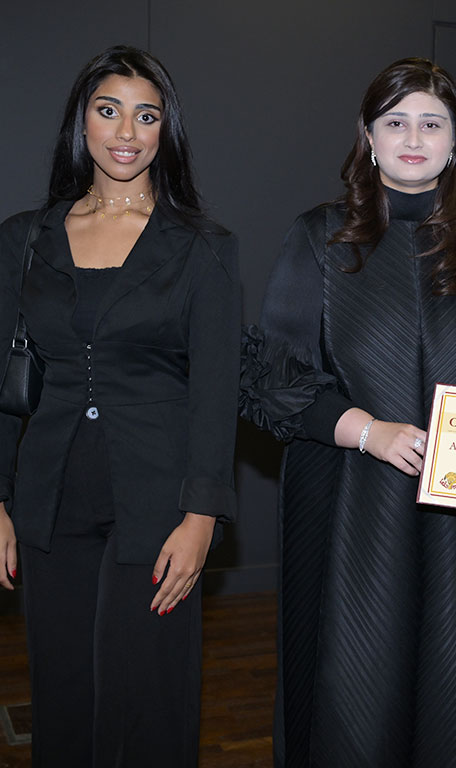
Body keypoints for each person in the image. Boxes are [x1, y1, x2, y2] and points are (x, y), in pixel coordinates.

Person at [239, 57, 456, 767]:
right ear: (368, 136)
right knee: (348, 696)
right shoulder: (318, 235)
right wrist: (368, 433)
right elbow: (270, 380)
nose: (413, 137)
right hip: (347, 506)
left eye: (432, 123)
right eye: (395, 121)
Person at [0, 45, 240, 766]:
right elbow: (4, 384)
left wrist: (202, 517)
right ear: (83, 120)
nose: (126, 132)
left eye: (146, 115)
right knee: (64, 693)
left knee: (149, 700)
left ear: (166, 130)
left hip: (160, 502)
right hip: (51, 498)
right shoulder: (24, 239)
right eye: (109, 111)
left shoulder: (203, 247)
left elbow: (216, 390)